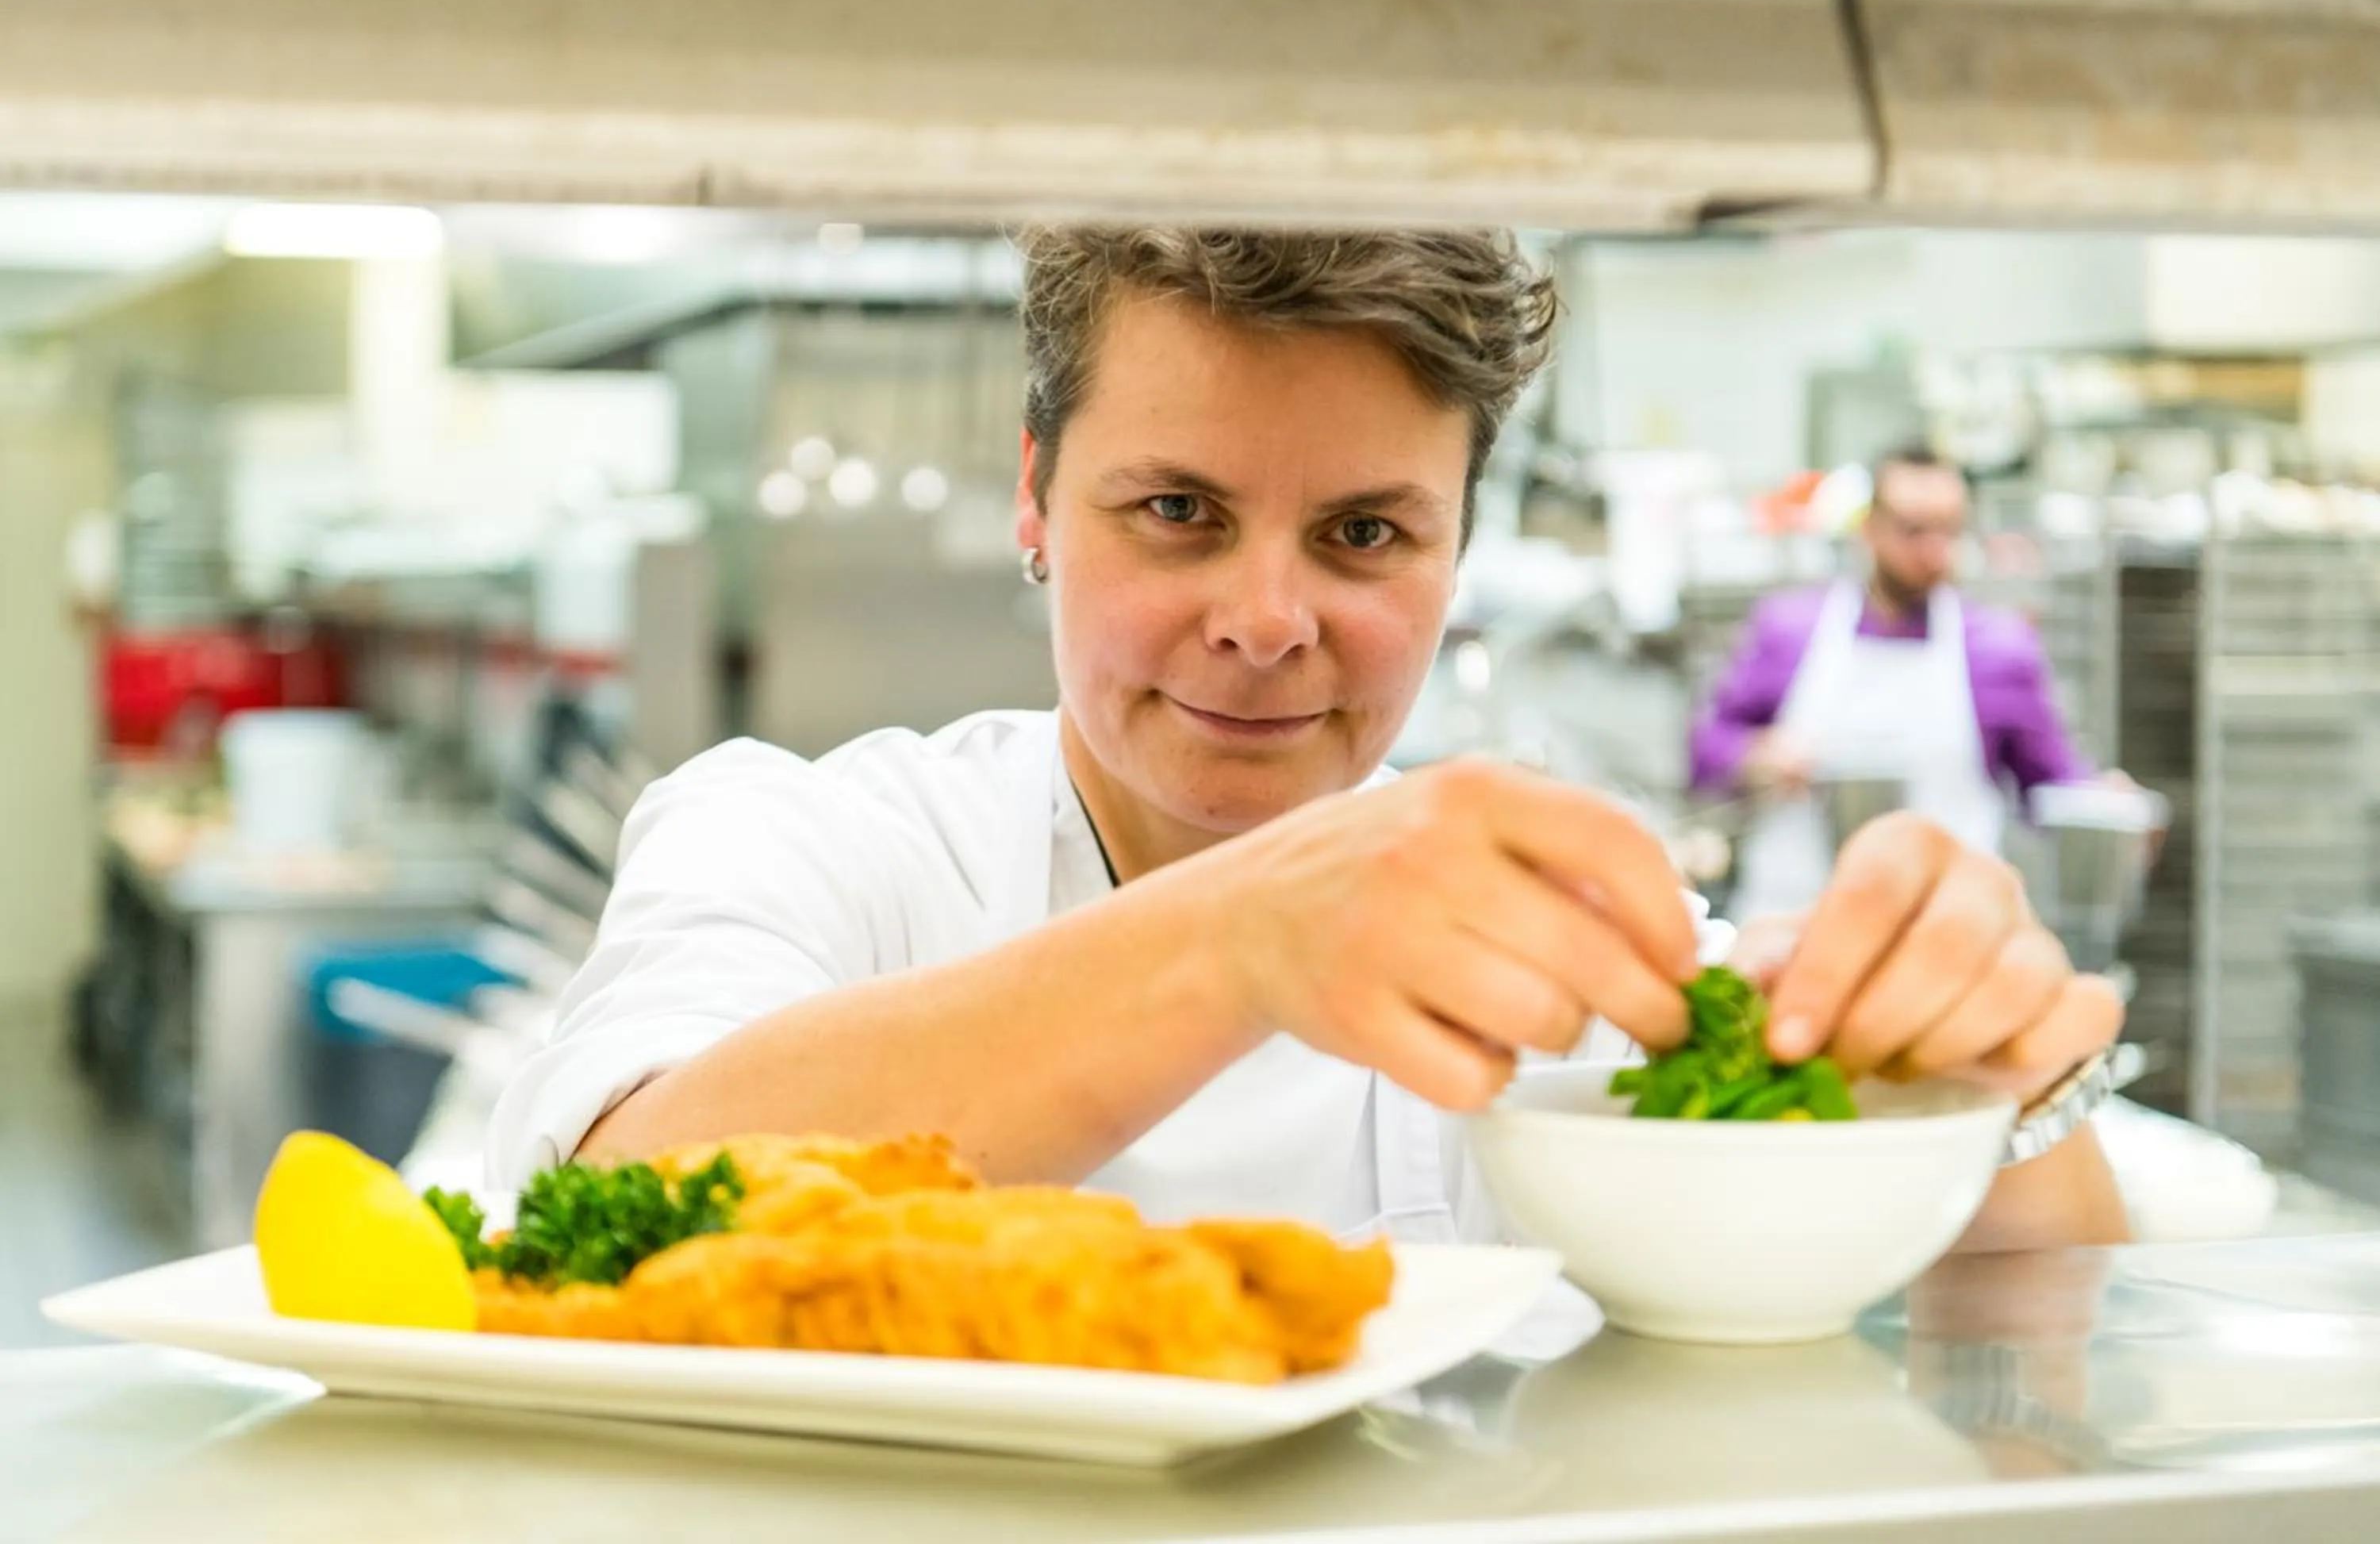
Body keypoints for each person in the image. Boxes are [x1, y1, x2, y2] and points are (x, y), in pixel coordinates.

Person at [490, 232, 2125, 1251]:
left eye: (1361, 535)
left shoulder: (1562, 952)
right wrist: (1242, 942)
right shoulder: (818, 846)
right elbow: (606, 1211)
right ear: (1035, 499)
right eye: (1180, 511)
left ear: (1457, 545)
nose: (1269, 619)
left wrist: (1993, 1092)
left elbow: (2033, 1339)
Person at [1693, 447, 2116, 924]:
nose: (1934, 552)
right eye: (1914, 531)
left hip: (1943, 933)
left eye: (1949, 531)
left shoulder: (1999, 653)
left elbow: (2050, 785)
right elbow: (1705, 752)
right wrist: (1757, 756)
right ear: (1869, 527)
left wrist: (2101, 801)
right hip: (1794, 925)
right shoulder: (1789, 631)